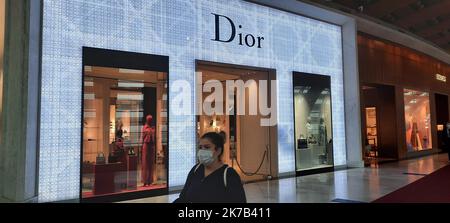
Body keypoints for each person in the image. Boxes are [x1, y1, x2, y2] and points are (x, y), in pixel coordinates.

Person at [174, 132, 246, 203]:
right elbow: (183, 198)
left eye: (207, 147)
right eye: (200, 147)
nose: (202, 151)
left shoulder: (229, 175)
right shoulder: (196, 169)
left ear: (218, 150)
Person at [141, 115, 156, 186]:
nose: (150, 121)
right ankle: (145, 181)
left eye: (151, 119)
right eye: (149, 119)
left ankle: (150, 181)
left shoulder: (153, 128)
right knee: (145, 163)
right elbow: (143, 137)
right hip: (146, 146)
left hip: (152, 146)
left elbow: (154, 137)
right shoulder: (144, 127)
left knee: (151, 163)